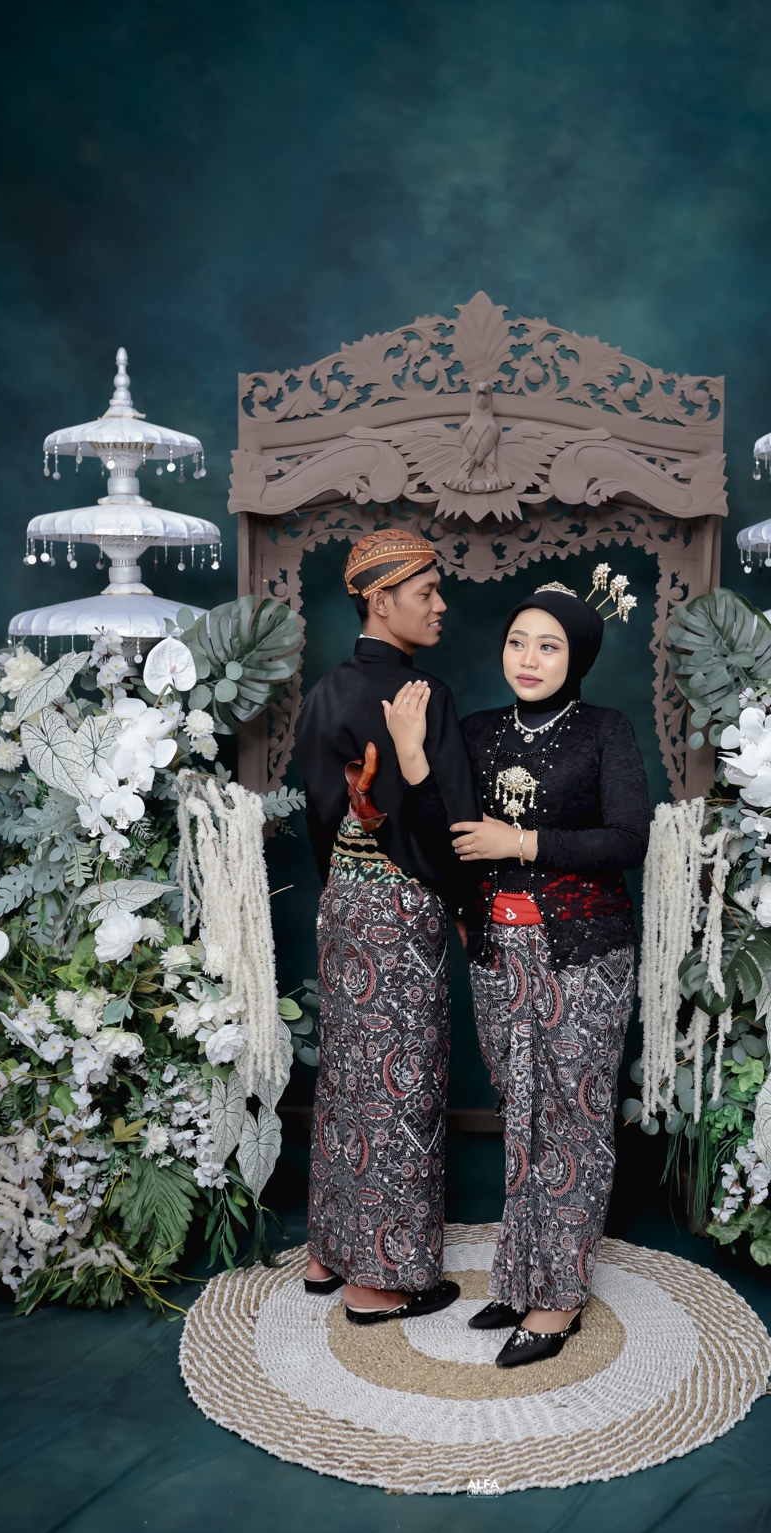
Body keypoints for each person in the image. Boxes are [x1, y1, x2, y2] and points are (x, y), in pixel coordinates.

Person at [387, 573, 648, 1366]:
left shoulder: (605, 731)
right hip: (499, 952)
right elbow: (443, 837)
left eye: (549, 645)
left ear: (579, 656)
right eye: (517, 642)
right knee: (523, 1112)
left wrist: (522, 843)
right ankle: (521, 1275)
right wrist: (412, 758)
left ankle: (558, 1300)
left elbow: (628, 839)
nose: (528, 658)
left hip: (585, 954)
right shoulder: (477, 730)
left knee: (574, 1118)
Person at [294, 529, 477, 1325]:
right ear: (380, 599)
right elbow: (452, 823)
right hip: (405, 908)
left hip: (343, 902)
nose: (441, 605)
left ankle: (327, 1252)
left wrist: (349, 880)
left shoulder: (324, 693)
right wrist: (466, 907)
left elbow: (320, 817)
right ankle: (378, 1282)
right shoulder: (421, 696)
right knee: (402, 1085)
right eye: (426, 592)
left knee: (347, 1076)